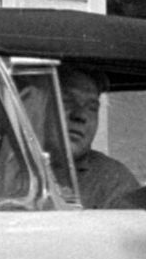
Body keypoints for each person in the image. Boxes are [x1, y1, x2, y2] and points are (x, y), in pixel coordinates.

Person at [58, 68, 140, 208]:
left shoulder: (113, 181)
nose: (80, 116)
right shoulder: (14, 166)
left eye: (92, 108)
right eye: (66, 101)